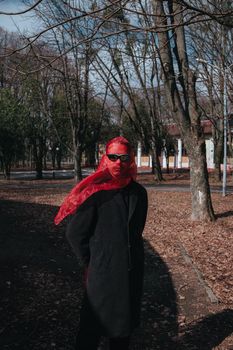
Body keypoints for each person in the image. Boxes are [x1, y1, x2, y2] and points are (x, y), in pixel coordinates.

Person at [54, 136, 148, 350]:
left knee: (122, 332)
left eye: (124, 157)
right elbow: (74, 234)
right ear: (105, 158)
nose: (118, 163)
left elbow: (136, 231)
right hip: (101, 276)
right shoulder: (94, 193)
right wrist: (92, 262)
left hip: (130, 275)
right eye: (113, 157)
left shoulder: (139, 193)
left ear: (131, 158)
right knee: (91, 330)